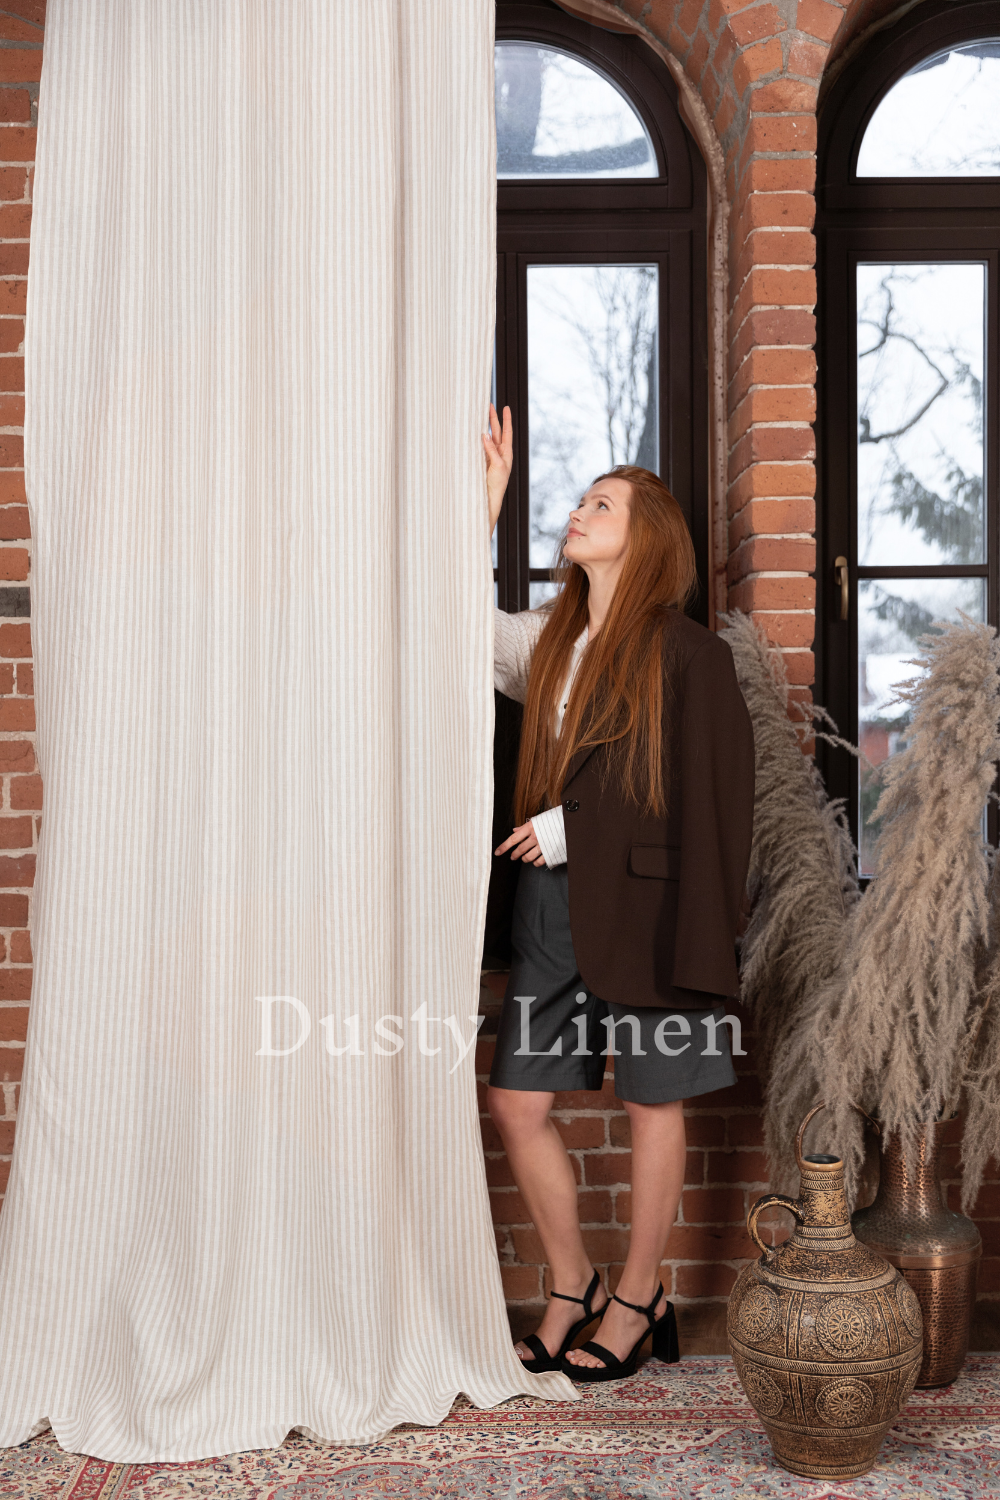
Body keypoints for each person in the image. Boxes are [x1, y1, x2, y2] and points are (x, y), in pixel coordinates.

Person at [481, 403, 754, 1383]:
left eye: (602, 503)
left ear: (645, 536)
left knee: (652, 1105)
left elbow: (709, 807)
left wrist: (571, 830)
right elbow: (456, 630)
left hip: (653, 910)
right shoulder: (546, 643)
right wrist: (487, 510)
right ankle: (573, 1289)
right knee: (516, 1105)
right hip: (549, 911)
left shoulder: (693, 656)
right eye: (580, 500)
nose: (578, 511)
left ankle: (640, 1299)